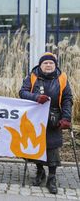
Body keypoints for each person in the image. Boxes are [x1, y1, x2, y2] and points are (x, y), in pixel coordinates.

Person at [19, 52, 73, 194]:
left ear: (55, 65)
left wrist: (66, 118)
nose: (48, 65)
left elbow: (67, 99)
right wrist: (36, 97)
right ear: (40, 65)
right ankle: (40, 171)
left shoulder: (62, 78)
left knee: (52, 148)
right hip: (35, 117)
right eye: (45, 63)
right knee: (36, 145)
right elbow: (22, 92)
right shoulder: (32, 76)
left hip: (54, 118)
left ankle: (52, 177)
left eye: (51, 63)